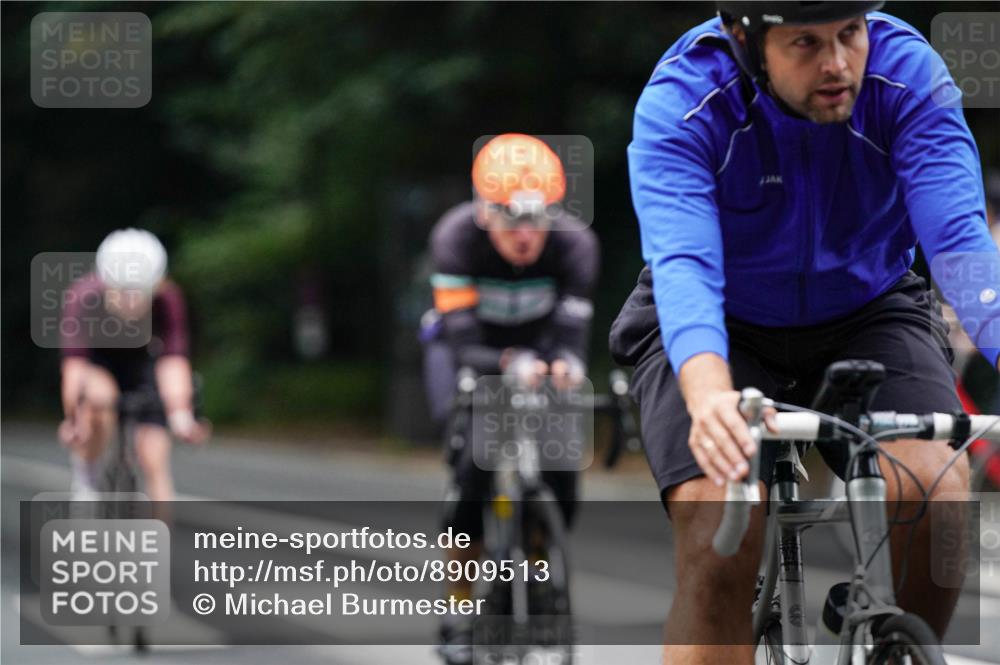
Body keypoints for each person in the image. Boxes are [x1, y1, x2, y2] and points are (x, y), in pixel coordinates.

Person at [608, 3, 1000, 663]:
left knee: (936, 491)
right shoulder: (685, 98)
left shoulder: (908, 75)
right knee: (718, 525)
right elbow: (686, 266)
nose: (838, 64)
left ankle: (897, 647)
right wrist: (708, 395)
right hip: (720, 317)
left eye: (850, 33)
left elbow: (961, 243)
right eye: (806, 44)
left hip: (868, 306)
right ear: (746, 40)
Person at [422, 133, 599, 664]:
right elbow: (462, 341)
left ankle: (539, 557)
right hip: (468, 351)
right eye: (509, 219)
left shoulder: (576, 245)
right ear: (483, 211)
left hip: (537, 352)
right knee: (473, 470)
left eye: (537, 219)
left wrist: (566, 366)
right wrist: (507, 363)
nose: (525, 235)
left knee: (563, 465)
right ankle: (458, 606)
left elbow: (570, 339)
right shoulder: (454, 237)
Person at [59, 228, 209, 503]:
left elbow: (173, 361)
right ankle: (87, 474)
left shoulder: (167, 298)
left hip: (143, 361)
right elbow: (75, 367)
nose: (130, 302)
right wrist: (73, 418)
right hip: (98, 362)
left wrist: (181, 414)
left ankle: (163, 524)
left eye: (139, 293)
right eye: (122, 292)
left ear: (157, 284)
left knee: (154, 455)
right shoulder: (82, 297)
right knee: (98, 400)